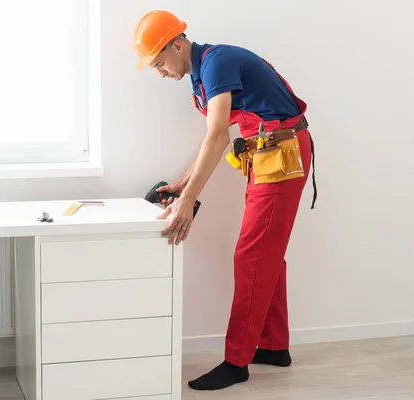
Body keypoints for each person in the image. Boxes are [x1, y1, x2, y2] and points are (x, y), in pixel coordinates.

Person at [132, 10, 317, 391]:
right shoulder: (202, 73)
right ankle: (273, 346)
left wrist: (189, 200)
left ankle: (237, 363)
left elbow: (218, 135)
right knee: (266, 254)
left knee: (251, 255)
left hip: (282, 154)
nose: (160, 72)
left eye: (159, 62)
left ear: (178, 45)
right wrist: (183, 186)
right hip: (267, 155)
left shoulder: (216, 63)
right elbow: (211, 139)